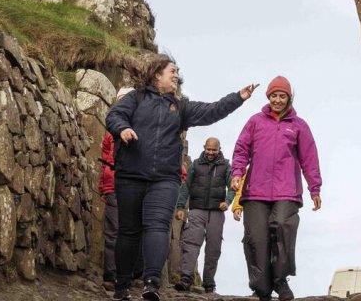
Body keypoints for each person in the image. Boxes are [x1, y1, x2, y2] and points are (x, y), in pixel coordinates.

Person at [105, 56, 258, 301]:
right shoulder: (135, 98)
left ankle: (151, 283)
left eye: (177, 72)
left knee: (157, 226)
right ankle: (122, 285)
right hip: (130, 175)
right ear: (156, 74)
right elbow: (114, 116)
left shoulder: (181, 107)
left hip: (164, 179)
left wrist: (237, 97)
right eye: (172, 71)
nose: (176, 75)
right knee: (129, 231)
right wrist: (122, 128)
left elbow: (212, 111)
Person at [231, 76, 322, 301]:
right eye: (274, 96)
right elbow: (241, 149)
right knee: (256, 238)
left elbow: (309, 158)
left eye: (282, 96)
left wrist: (315, 188)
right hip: (255, 191)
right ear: (268, 97)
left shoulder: (299, 126)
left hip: (287, 190)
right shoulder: (255, 121)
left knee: (283, 228)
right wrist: (237, 173)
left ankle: (281, 281)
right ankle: (261, 287)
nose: (278, 100)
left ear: (289, 98)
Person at [173, 137, 234, 293]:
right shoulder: (195, 165)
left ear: (219, 149)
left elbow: (232, 187)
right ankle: (186, 278)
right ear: (204, 147)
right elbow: (186, 187)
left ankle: (208, 282)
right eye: (208, 149)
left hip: (216, 212)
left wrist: (227, 201)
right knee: (191, 243)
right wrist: (180, 207)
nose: (211, 153)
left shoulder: (226, 166)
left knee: (213, 248)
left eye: (214, 150)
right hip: (197, 210)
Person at [101, 87, 138, 289]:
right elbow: (105, 160)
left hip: (134, 184)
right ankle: (111, 274)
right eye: (121, 99)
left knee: (132, 230)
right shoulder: (111, 131)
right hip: (114, 184)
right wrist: (103, 186)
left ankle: (128, 274)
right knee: (113, 230)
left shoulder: (143, 125)